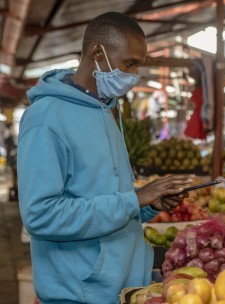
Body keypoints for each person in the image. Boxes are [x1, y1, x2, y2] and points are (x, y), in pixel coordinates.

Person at [17, 12, 192, 303]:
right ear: (97, 52)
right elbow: (41, 215)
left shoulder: (105, 109)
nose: (134, 75)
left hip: (124, 287)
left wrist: (147, 206)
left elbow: (101, 196)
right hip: (80, 293)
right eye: (129, 63)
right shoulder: (45, 118)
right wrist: (134, 200)